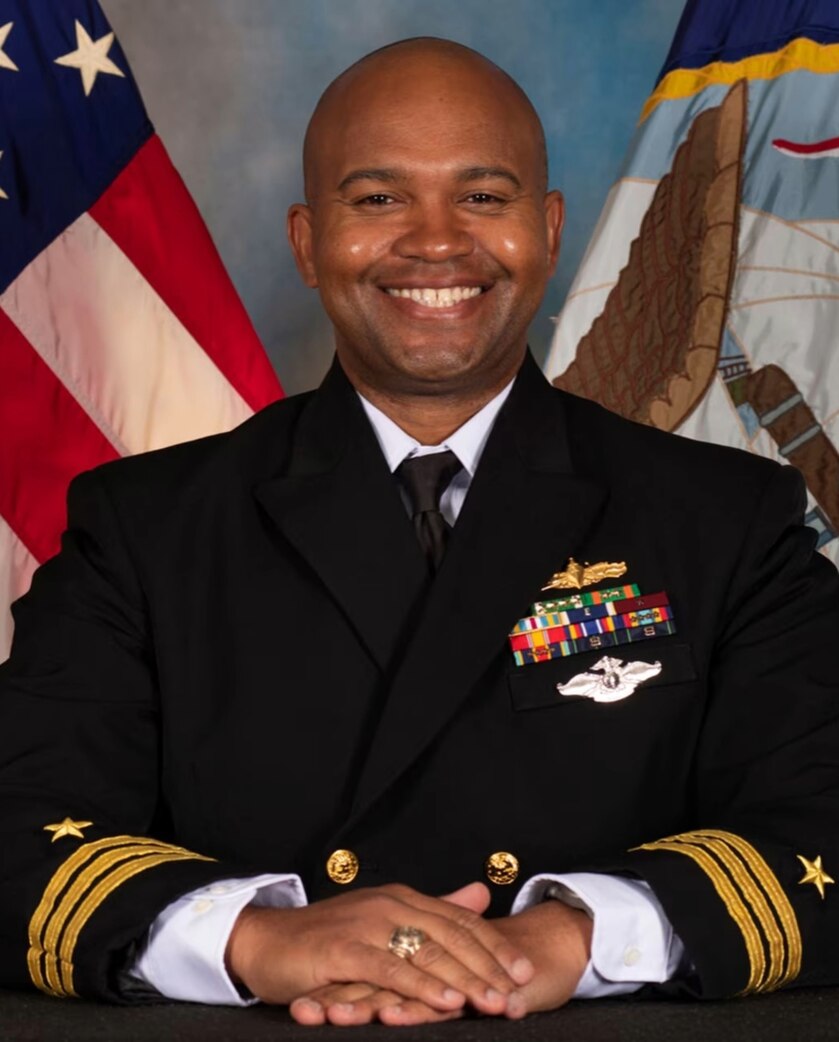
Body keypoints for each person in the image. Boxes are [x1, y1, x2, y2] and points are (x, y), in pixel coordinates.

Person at [2, 36, 839, 1028]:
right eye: (377, 198)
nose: (436, 241)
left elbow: (819, 819)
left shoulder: (727, 519)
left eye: (481, 195)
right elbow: (20, 825)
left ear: (547, 230)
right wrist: (260, 940)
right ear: (306, 242)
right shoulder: (145, 528)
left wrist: (575, 937)